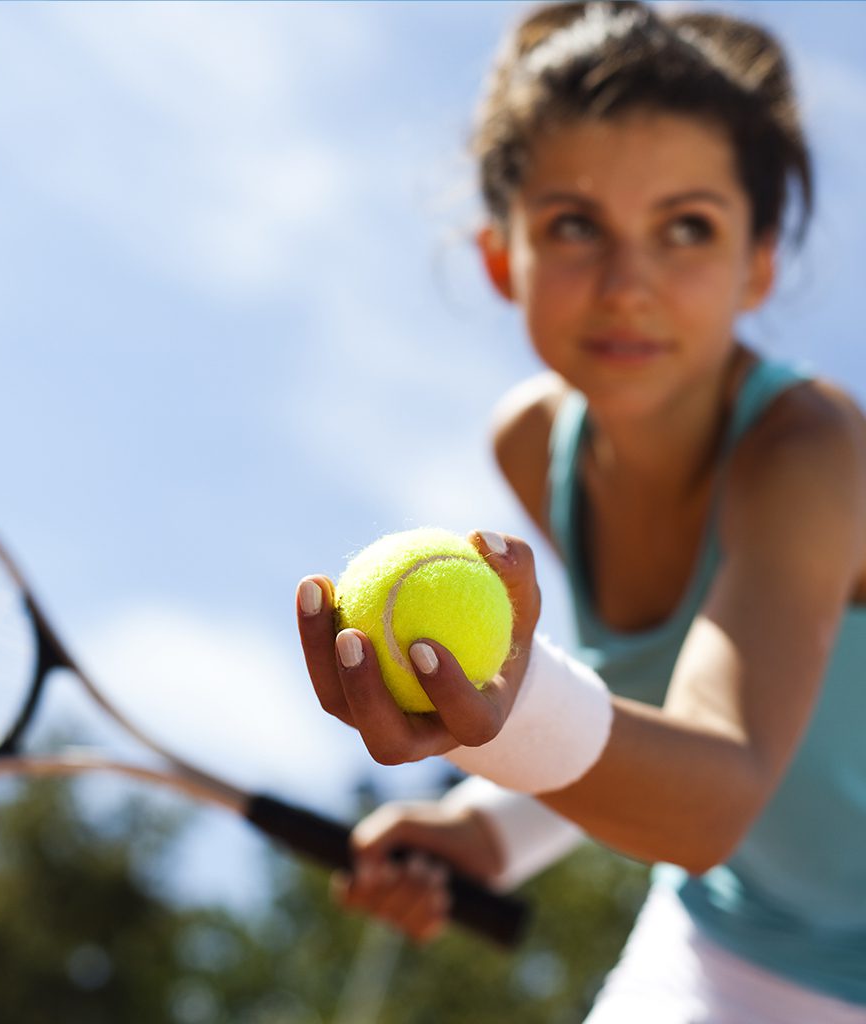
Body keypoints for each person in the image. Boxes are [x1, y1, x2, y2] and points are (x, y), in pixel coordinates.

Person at [295, 2, 866, 1021]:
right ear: (501, 257)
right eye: (573, 226)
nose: (625, 283)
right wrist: (489, 832)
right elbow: (635, 693)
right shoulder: (533, 445)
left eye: (685, 228)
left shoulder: (810, 451)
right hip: (731, 937)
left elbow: (715, 789)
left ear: (759, 264)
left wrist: (500, 726)